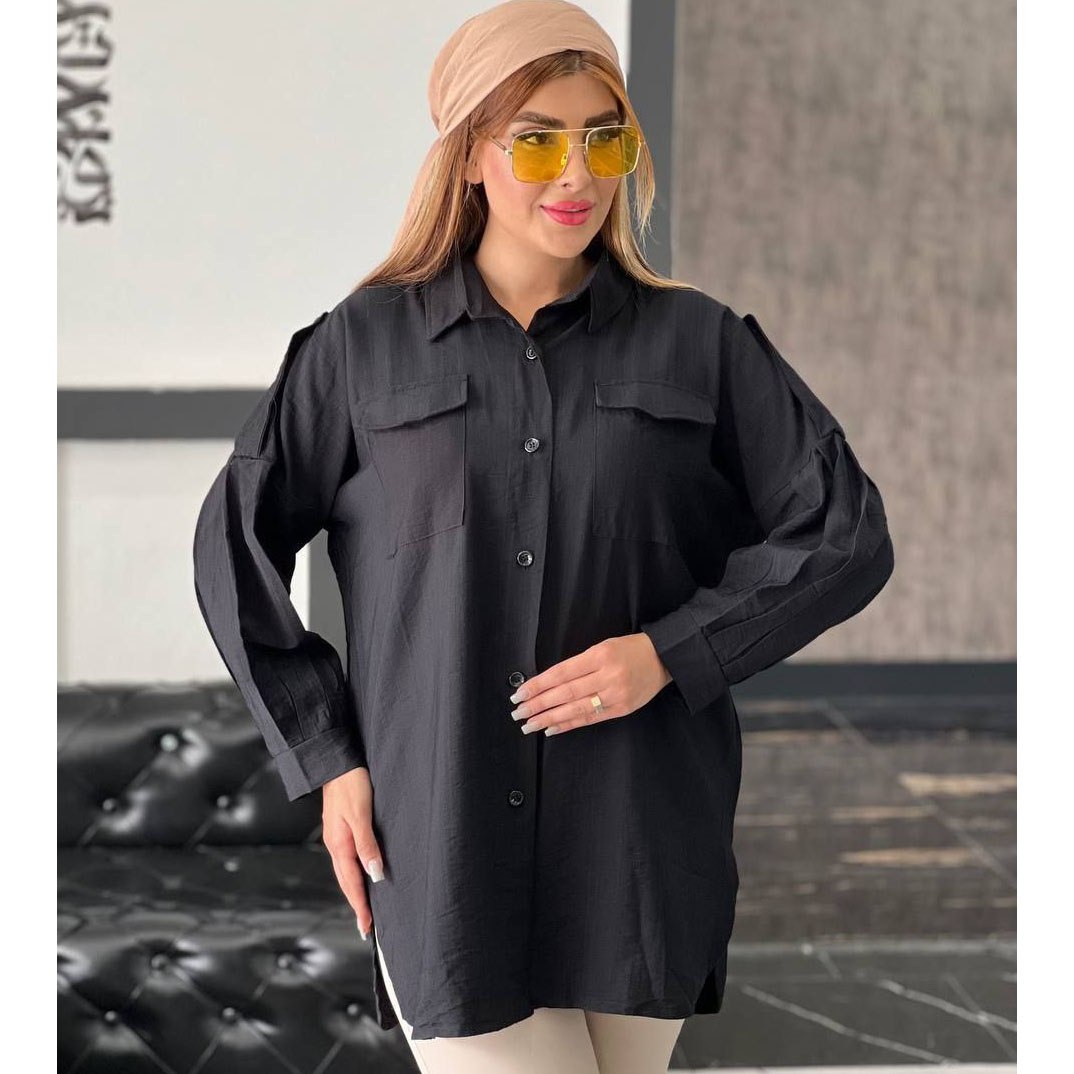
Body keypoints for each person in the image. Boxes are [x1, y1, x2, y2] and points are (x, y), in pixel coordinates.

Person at [192, 1, 896, 1071]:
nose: (576, 175)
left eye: (604, 140)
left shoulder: (700, 341)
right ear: (471, 155)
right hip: (444, 838)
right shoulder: (360, 349)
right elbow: (232, 548)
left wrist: (671, 653)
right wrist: (328, 756)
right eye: (536, 141)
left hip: (641, 836)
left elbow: (845, 532)